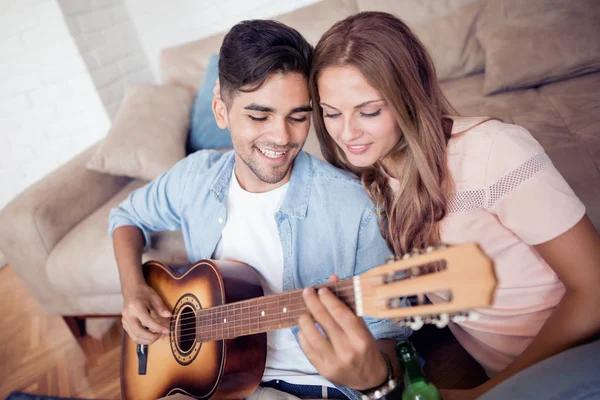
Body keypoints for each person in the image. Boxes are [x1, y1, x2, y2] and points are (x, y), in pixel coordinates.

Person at [305, 10, 600, 399]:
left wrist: (489, 391)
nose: (347, 133)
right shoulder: (370, 178)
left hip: (575, 362)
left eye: (369, 111)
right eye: (331, 113)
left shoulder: (495, 151)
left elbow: (594, 291)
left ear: (408, 96)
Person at [109, 19, 410, 400]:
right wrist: (133, 289)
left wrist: (371, 375)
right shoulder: (194, 178)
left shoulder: (355, 209)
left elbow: (391, 344)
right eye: (259, 116)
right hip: (216, 379)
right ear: (221, 111)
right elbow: (125, 217)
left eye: (298, 117)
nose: (282, 137)